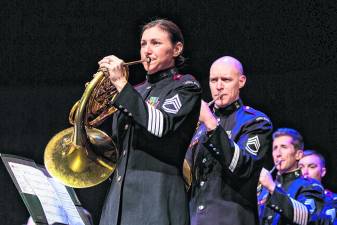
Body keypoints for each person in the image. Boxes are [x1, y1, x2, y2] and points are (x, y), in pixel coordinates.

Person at [98, 19, 202, 225]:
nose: (147, 50)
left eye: (155, 43)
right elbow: (118, 148)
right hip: (118, 204)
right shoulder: (135, 91)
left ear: (176, 49)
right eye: (143, 43)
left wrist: (120, 83)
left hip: (156, 203)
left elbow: (160, 125)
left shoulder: (185, 86)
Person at [185, 56, 273, 225]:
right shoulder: (198, 124)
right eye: (213, 80)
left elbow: (245, 169)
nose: (218, 86)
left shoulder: (255, 122)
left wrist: (211, 124)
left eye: (226, 80)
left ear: (241, 81)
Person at [258, 128, 325, 225]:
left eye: (284, 147)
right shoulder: (266, 189)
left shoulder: (311, 186)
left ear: (298, 155)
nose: (278, 154)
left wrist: (273, 188)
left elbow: (308, 218)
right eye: (275, 148)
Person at [299, 150, 337, 224]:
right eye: (301, 167)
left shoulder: (334, 200)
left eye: (312, 167)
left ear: (323, 172)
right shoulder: (288, 197)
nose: (305, 172)